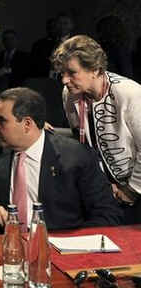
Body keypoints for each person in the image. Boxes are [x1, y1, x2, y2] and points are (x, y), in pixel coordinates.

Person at [0, 87, 123, 235]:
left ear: (27, 124)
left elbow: (106, 213)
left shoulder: (77, 156)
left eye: (1, 120)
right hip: (5, 243)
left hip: (61, 246)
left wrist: (74, 245)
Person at [51, 34, 141, 224]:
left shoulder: (130, 93)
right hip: (103, 189)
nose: (64, 80)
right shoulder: (70, 93)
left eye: (71, 72)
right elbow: (80, 140)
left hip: (134, 190)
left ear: (95, 69)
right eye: (62, 73)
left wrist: (131, 190)